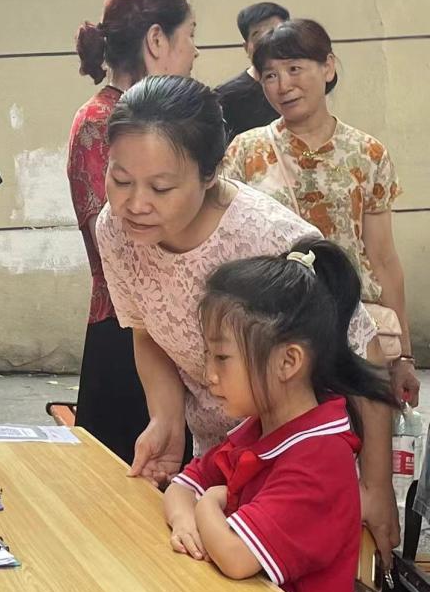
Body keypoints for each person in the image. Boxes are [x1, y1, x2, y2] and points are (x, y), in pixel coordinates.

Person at [95, 75, 399, 563]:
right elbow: (145, 329)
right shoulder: (115, 230)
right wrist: (166, 419)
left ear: (210, 173)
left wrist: (377, 487)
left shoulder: (267, 237)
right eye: (121, 179)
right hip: (227, 456)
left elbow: (364, 353)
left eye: (161, 187)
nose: (135, 204)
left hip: (302, 460)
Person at [164, 238, 397, 592]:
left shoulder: (320, 462)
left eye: (222, 358)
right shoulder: (260, 429)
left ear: (288, 362)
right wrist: (185, 521)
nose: (209, 375)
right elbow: (182, 485)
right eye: (208, 355)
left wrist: (207, 503)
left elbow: (236, 557)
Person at [222, 18, 419, 408]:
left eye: (295, 68)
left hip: (355, 329)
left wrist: (404, 357)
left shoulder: (367, 153)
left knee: (361, 430)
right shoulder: (246, 152)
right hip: (277, 330)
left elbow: (382, 257)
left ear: (327, 67)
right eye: (270, 75)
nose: (283, 85)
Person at [67, 0, 197, 463]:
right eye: (190, 36)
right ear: (157, 40)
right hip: (129, 330)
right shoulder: (105, 123)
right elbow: (130, 244)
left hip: (167, 327)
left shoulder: (135, 120)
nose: (195, 52)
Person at [214, 2, 289, 141]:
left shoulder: (299, 84)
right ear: (246, 47)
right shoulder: (226, 96)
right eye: (258, 35)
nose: (268, 41)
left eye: (276, 32)